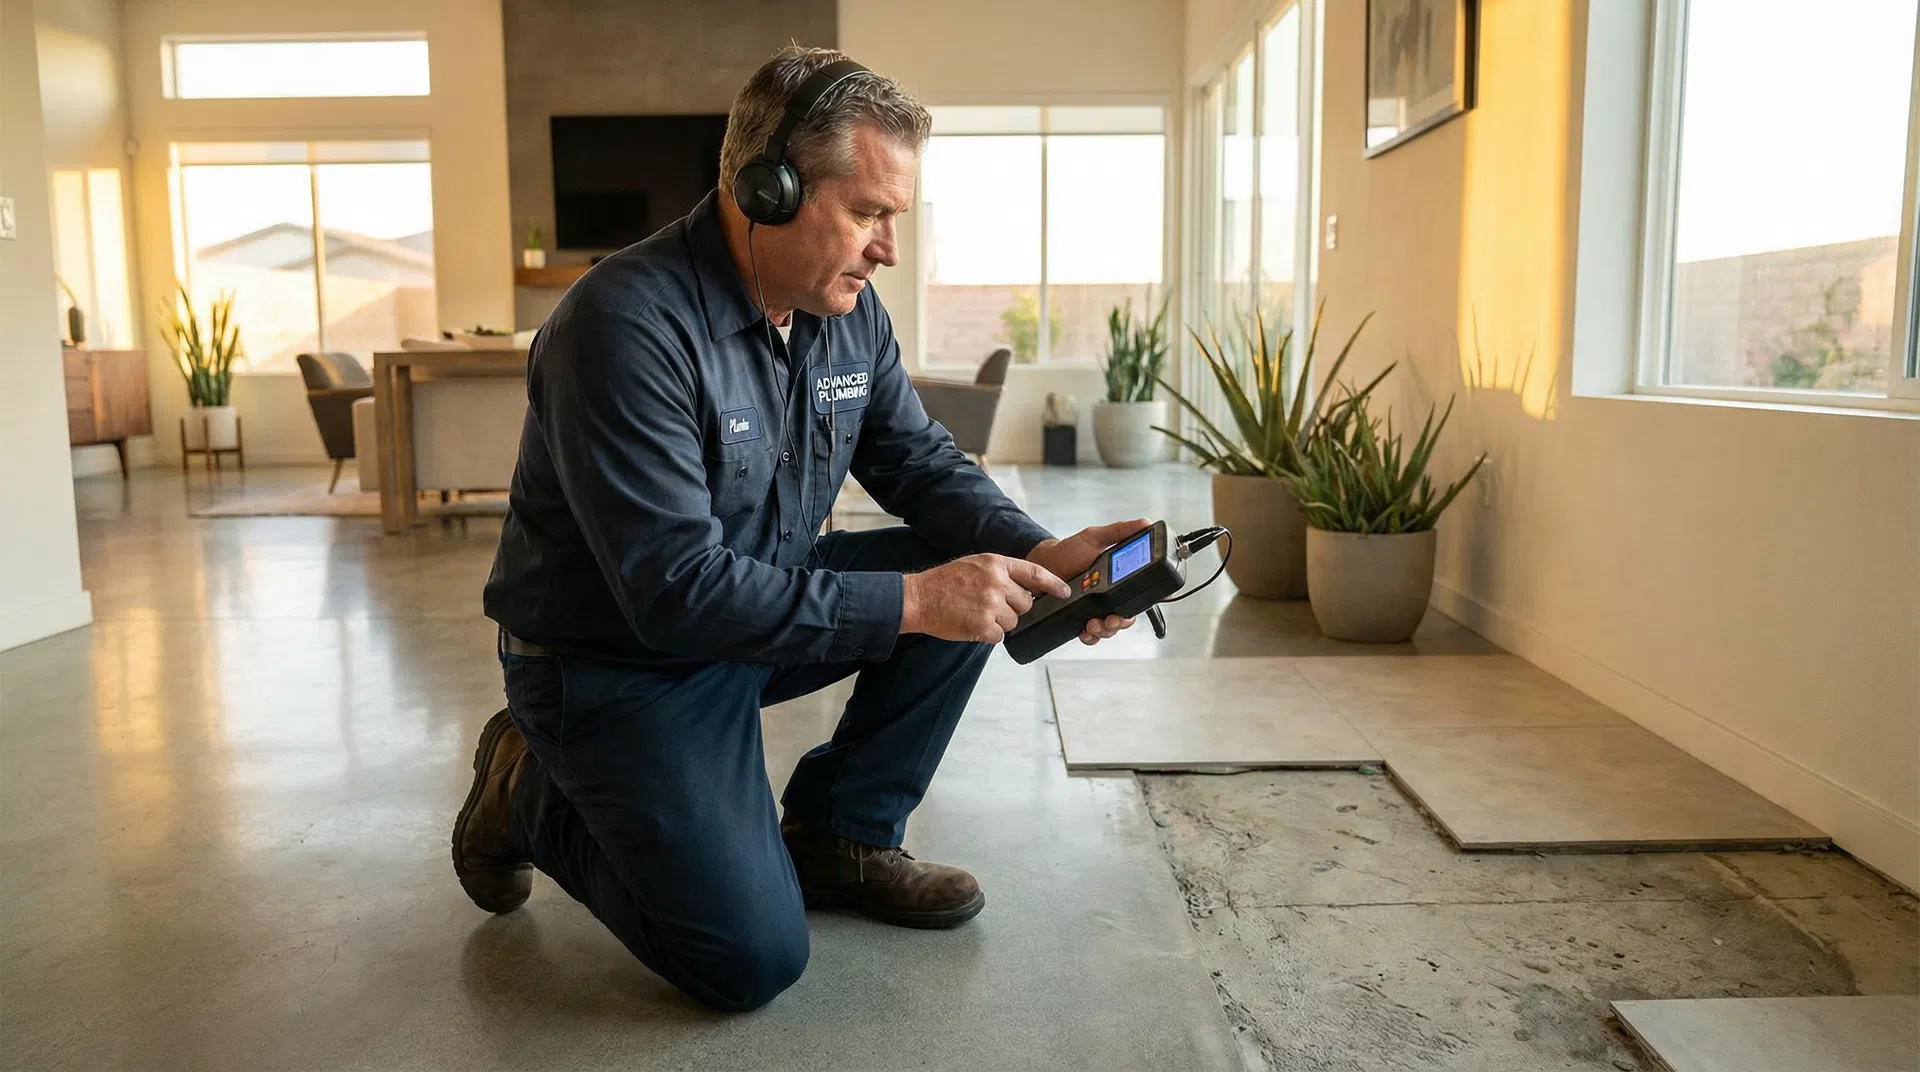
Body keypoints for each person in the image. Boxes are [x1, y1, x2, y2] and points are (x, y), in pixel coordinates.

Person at [453, 45, 1146, 1013]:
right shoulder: (622, 326)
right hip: (615, 660)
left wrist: (1036, 556)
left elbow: (917, 461)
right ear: (765, 190)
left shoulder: (846, 311)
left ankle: (840, 835)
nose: (888, 249)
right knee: (749, 961)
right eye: (868, 213)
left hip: (755, 608)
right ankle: (525, 787)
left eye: (893, 218)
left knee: (970, 571)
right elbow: (672, 590)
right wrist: (913, 601)